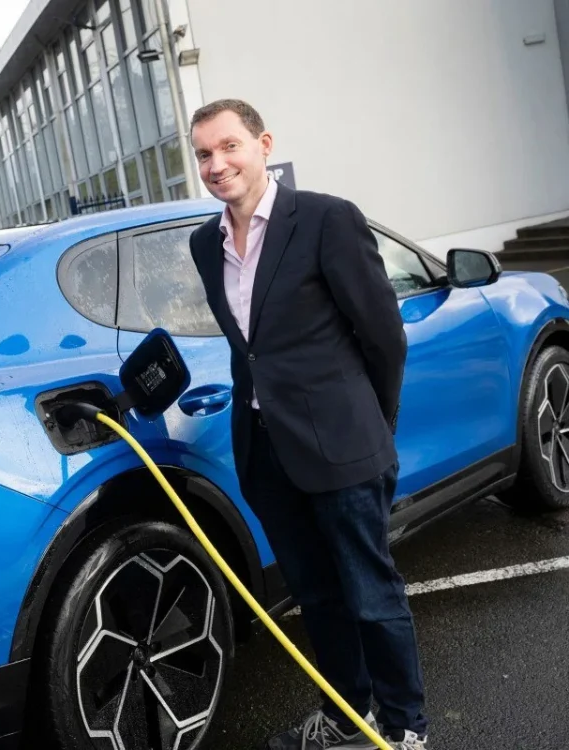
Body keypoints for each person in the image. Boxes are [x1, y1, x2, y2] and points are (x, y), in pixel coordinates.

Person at [186, 98, 429, 750]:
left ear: (264, 144)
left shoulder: (325, 219)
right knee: (317, 598)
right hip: (267, 454)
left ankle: (405, 730)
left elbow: (384, 336)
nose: (217, 164)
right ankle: (351, 721)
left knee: (371, 594)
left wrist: (375, 425)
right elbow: (251, 348)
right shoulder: (204, 244)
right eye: (204, 153)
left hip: (344, 446)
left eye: (229, 146)